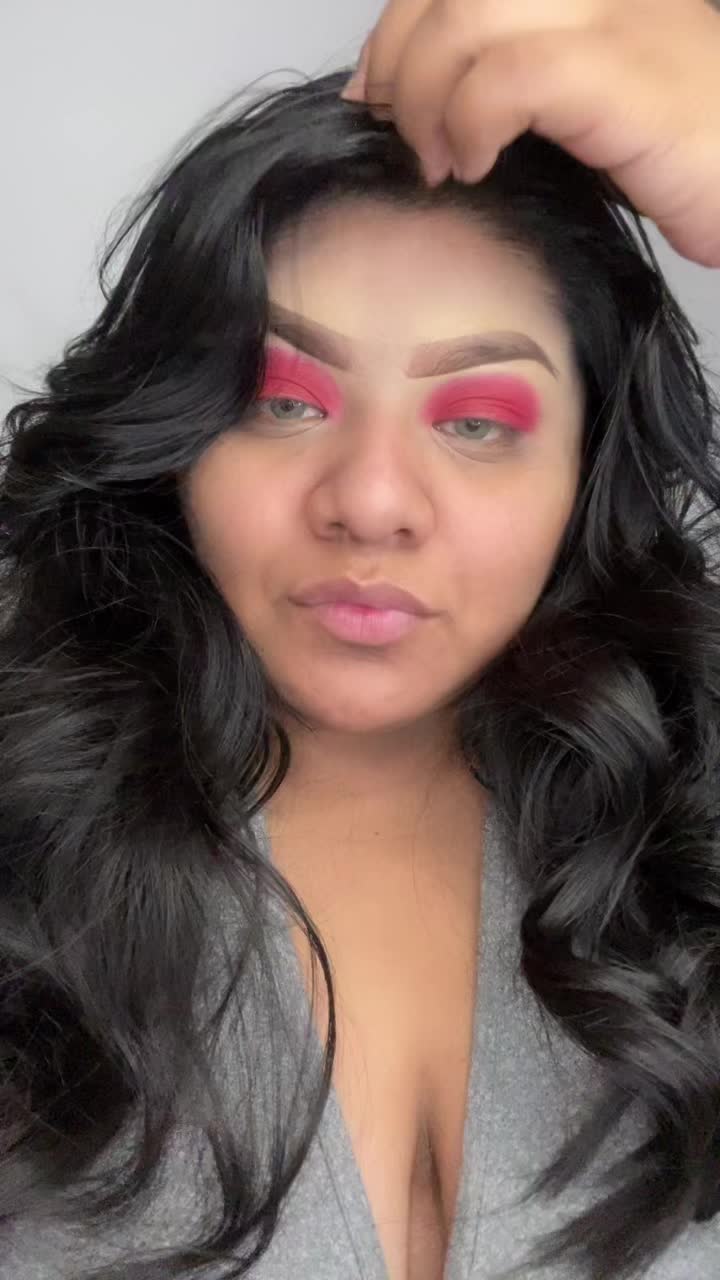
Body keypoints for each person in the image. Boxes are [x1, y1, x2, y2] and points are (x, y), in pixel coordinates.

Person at [1, 2, 720, 1277]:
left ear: (584, 474)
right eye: (281, 399)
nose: (372, 500)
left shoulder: (689, 838)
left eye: (478, 420)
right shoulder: (28, 847)